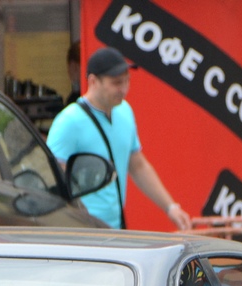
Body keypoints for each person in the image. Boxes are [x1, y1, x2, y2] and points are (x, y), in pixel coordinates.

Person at [46, 46, 192, 231]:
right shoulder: (69, 121)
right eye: (116, 83)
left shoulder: (125, 112)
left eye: (127, 81)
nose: (123, 89)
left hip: (116, 229)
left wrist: (170, 207)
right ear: (93, 81)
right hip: (82, 233)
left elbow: (138, 165)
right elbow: (51, 178)